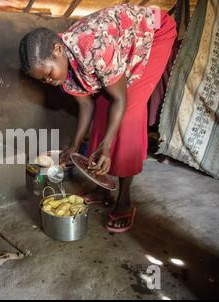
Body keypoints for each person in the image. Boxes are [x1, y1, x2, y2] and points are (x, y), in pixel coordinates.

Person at [19, 4, 177, 233]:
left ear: (57, 50)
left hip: (153, 34)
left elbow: (120, 99)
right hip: (120, 45)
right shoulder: (63, 63)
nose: (49, 82)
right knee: (104, 103)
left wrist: (106, 145)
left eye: (49, 74)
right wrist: (74, 145)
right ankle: (102, 188)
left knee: (128, 111)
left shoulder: (93, 47)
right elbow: (86, 103)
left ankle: (124, 200)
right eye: (43, 80)